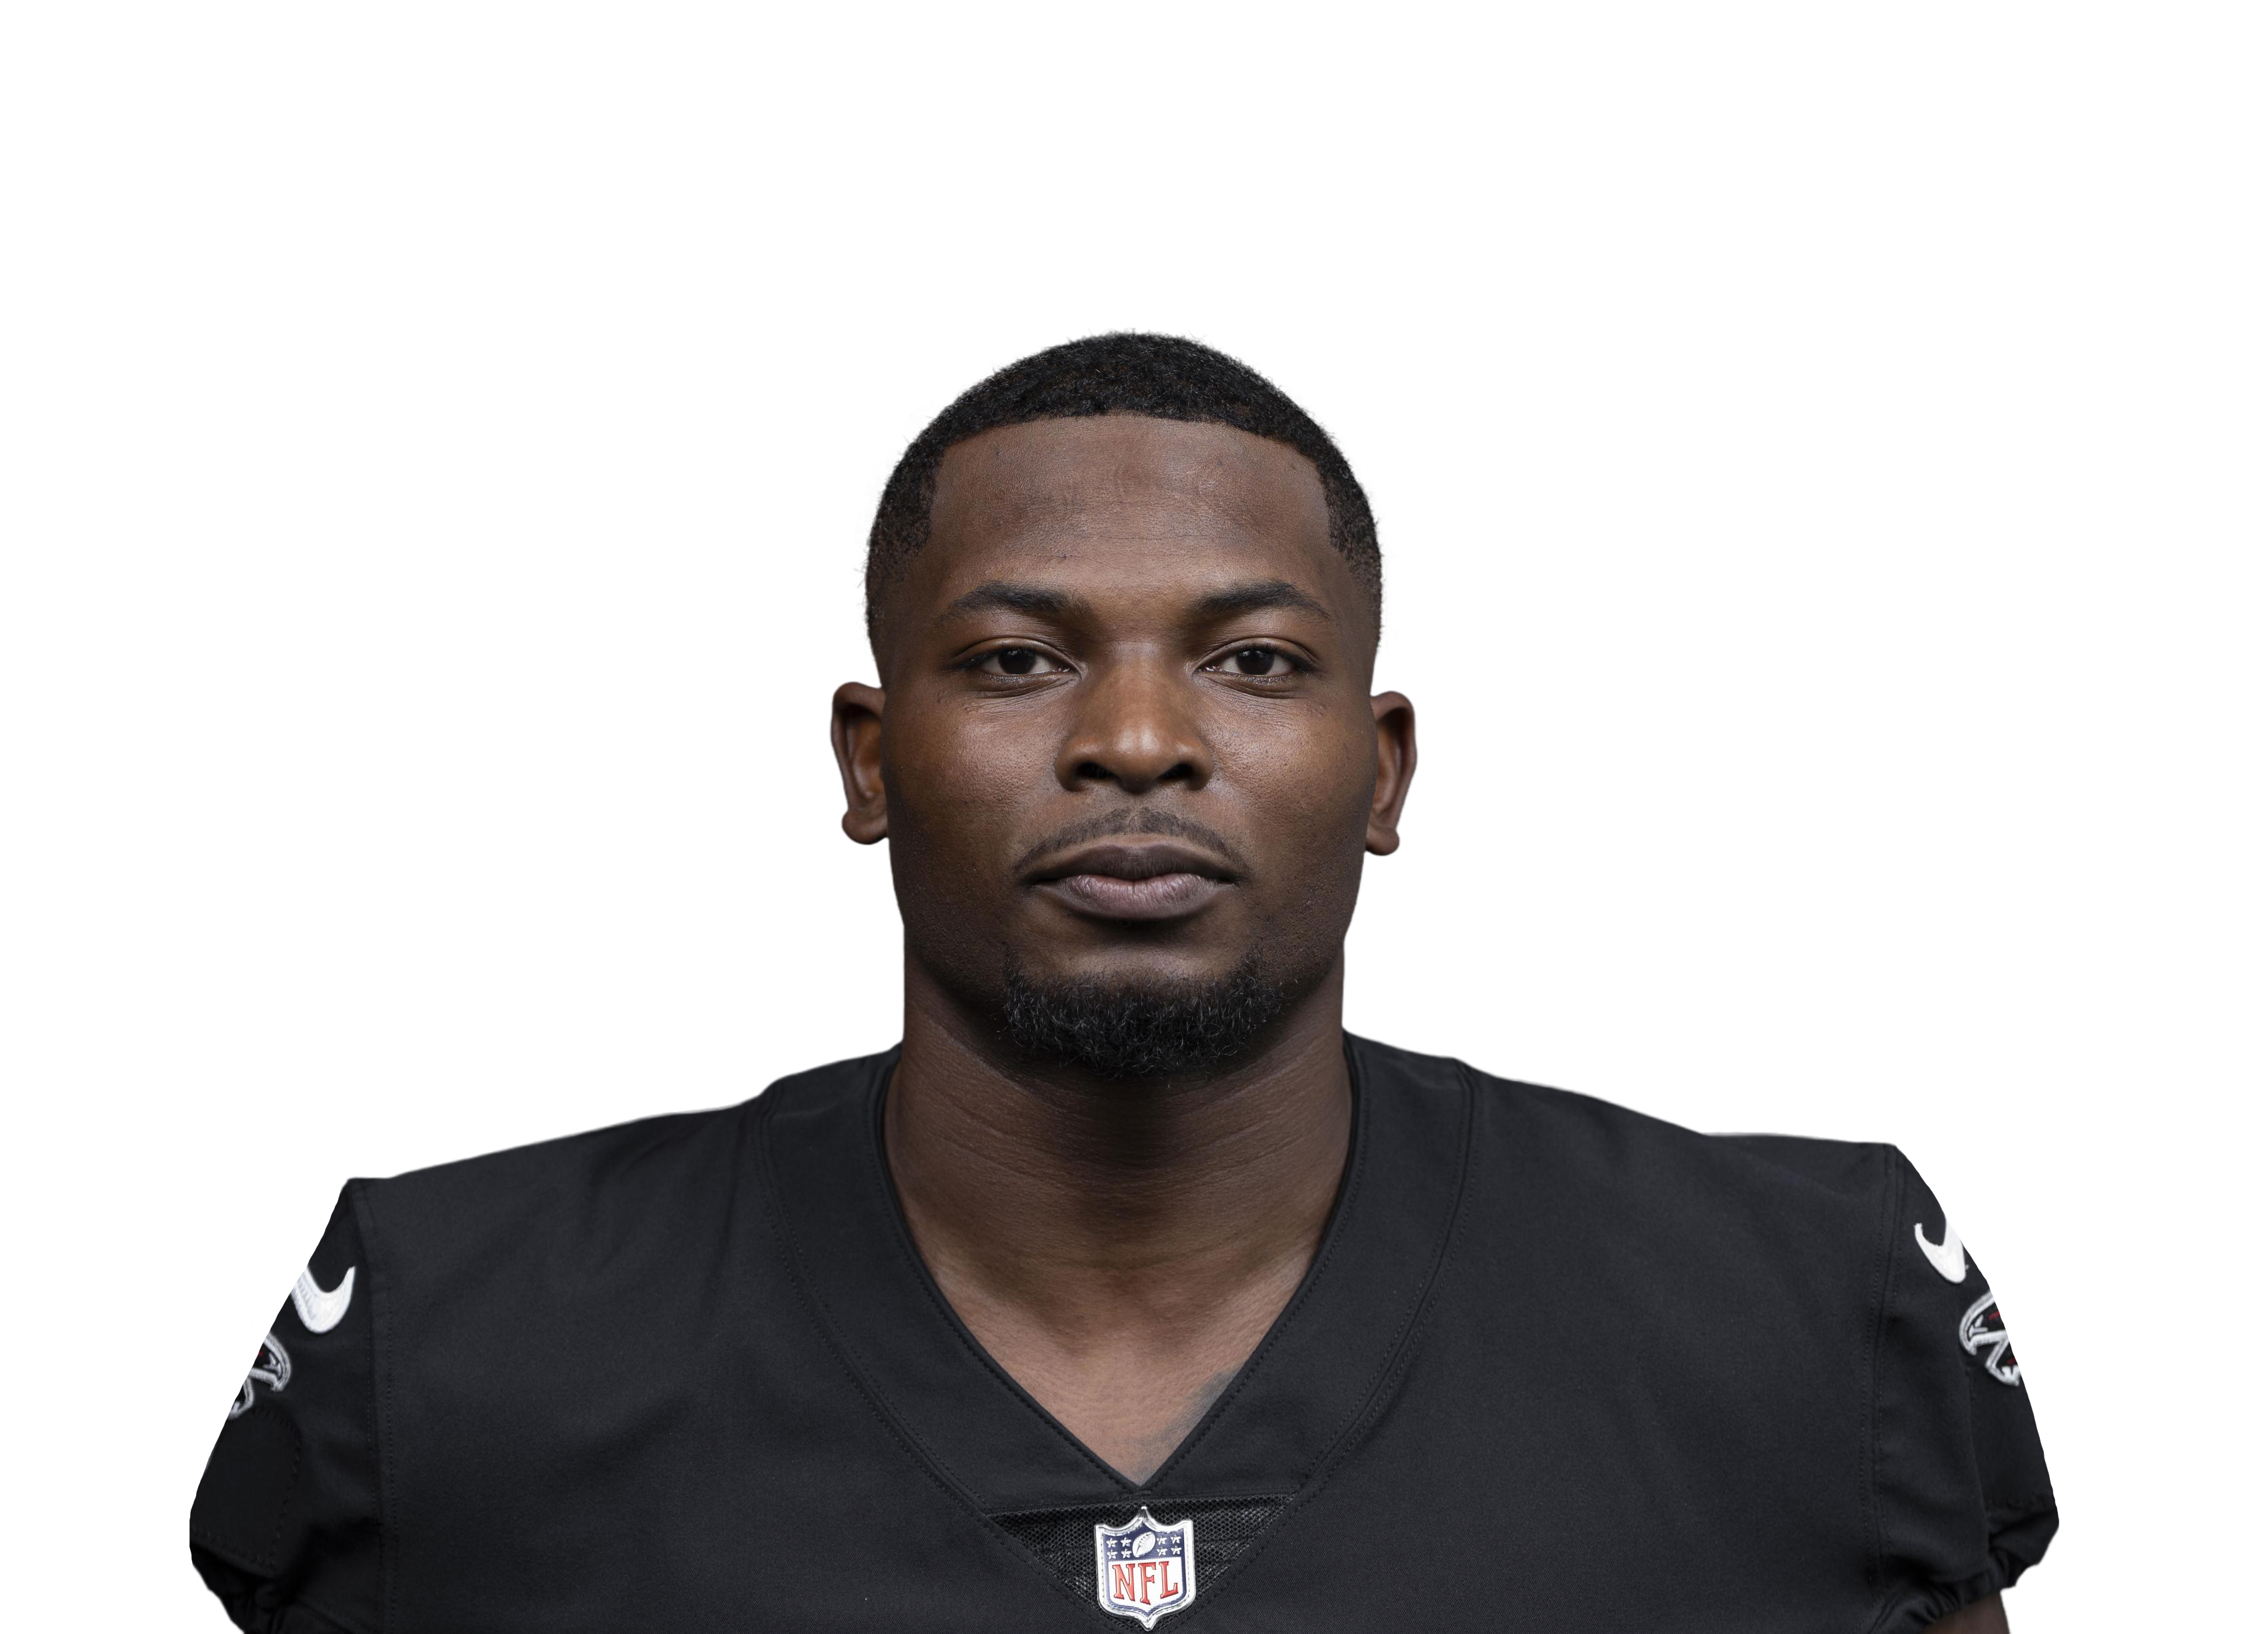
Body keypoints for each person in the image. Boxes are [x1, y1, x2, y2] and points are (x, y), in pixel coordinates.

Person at [189, 325, 2057, 1631]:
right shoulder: (448, 1329)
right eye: (1018, 661)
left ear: (1383, 768)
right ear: (868, 757)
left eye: (1255, 662)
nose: (1141, 740)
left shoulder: (1806, 1303)